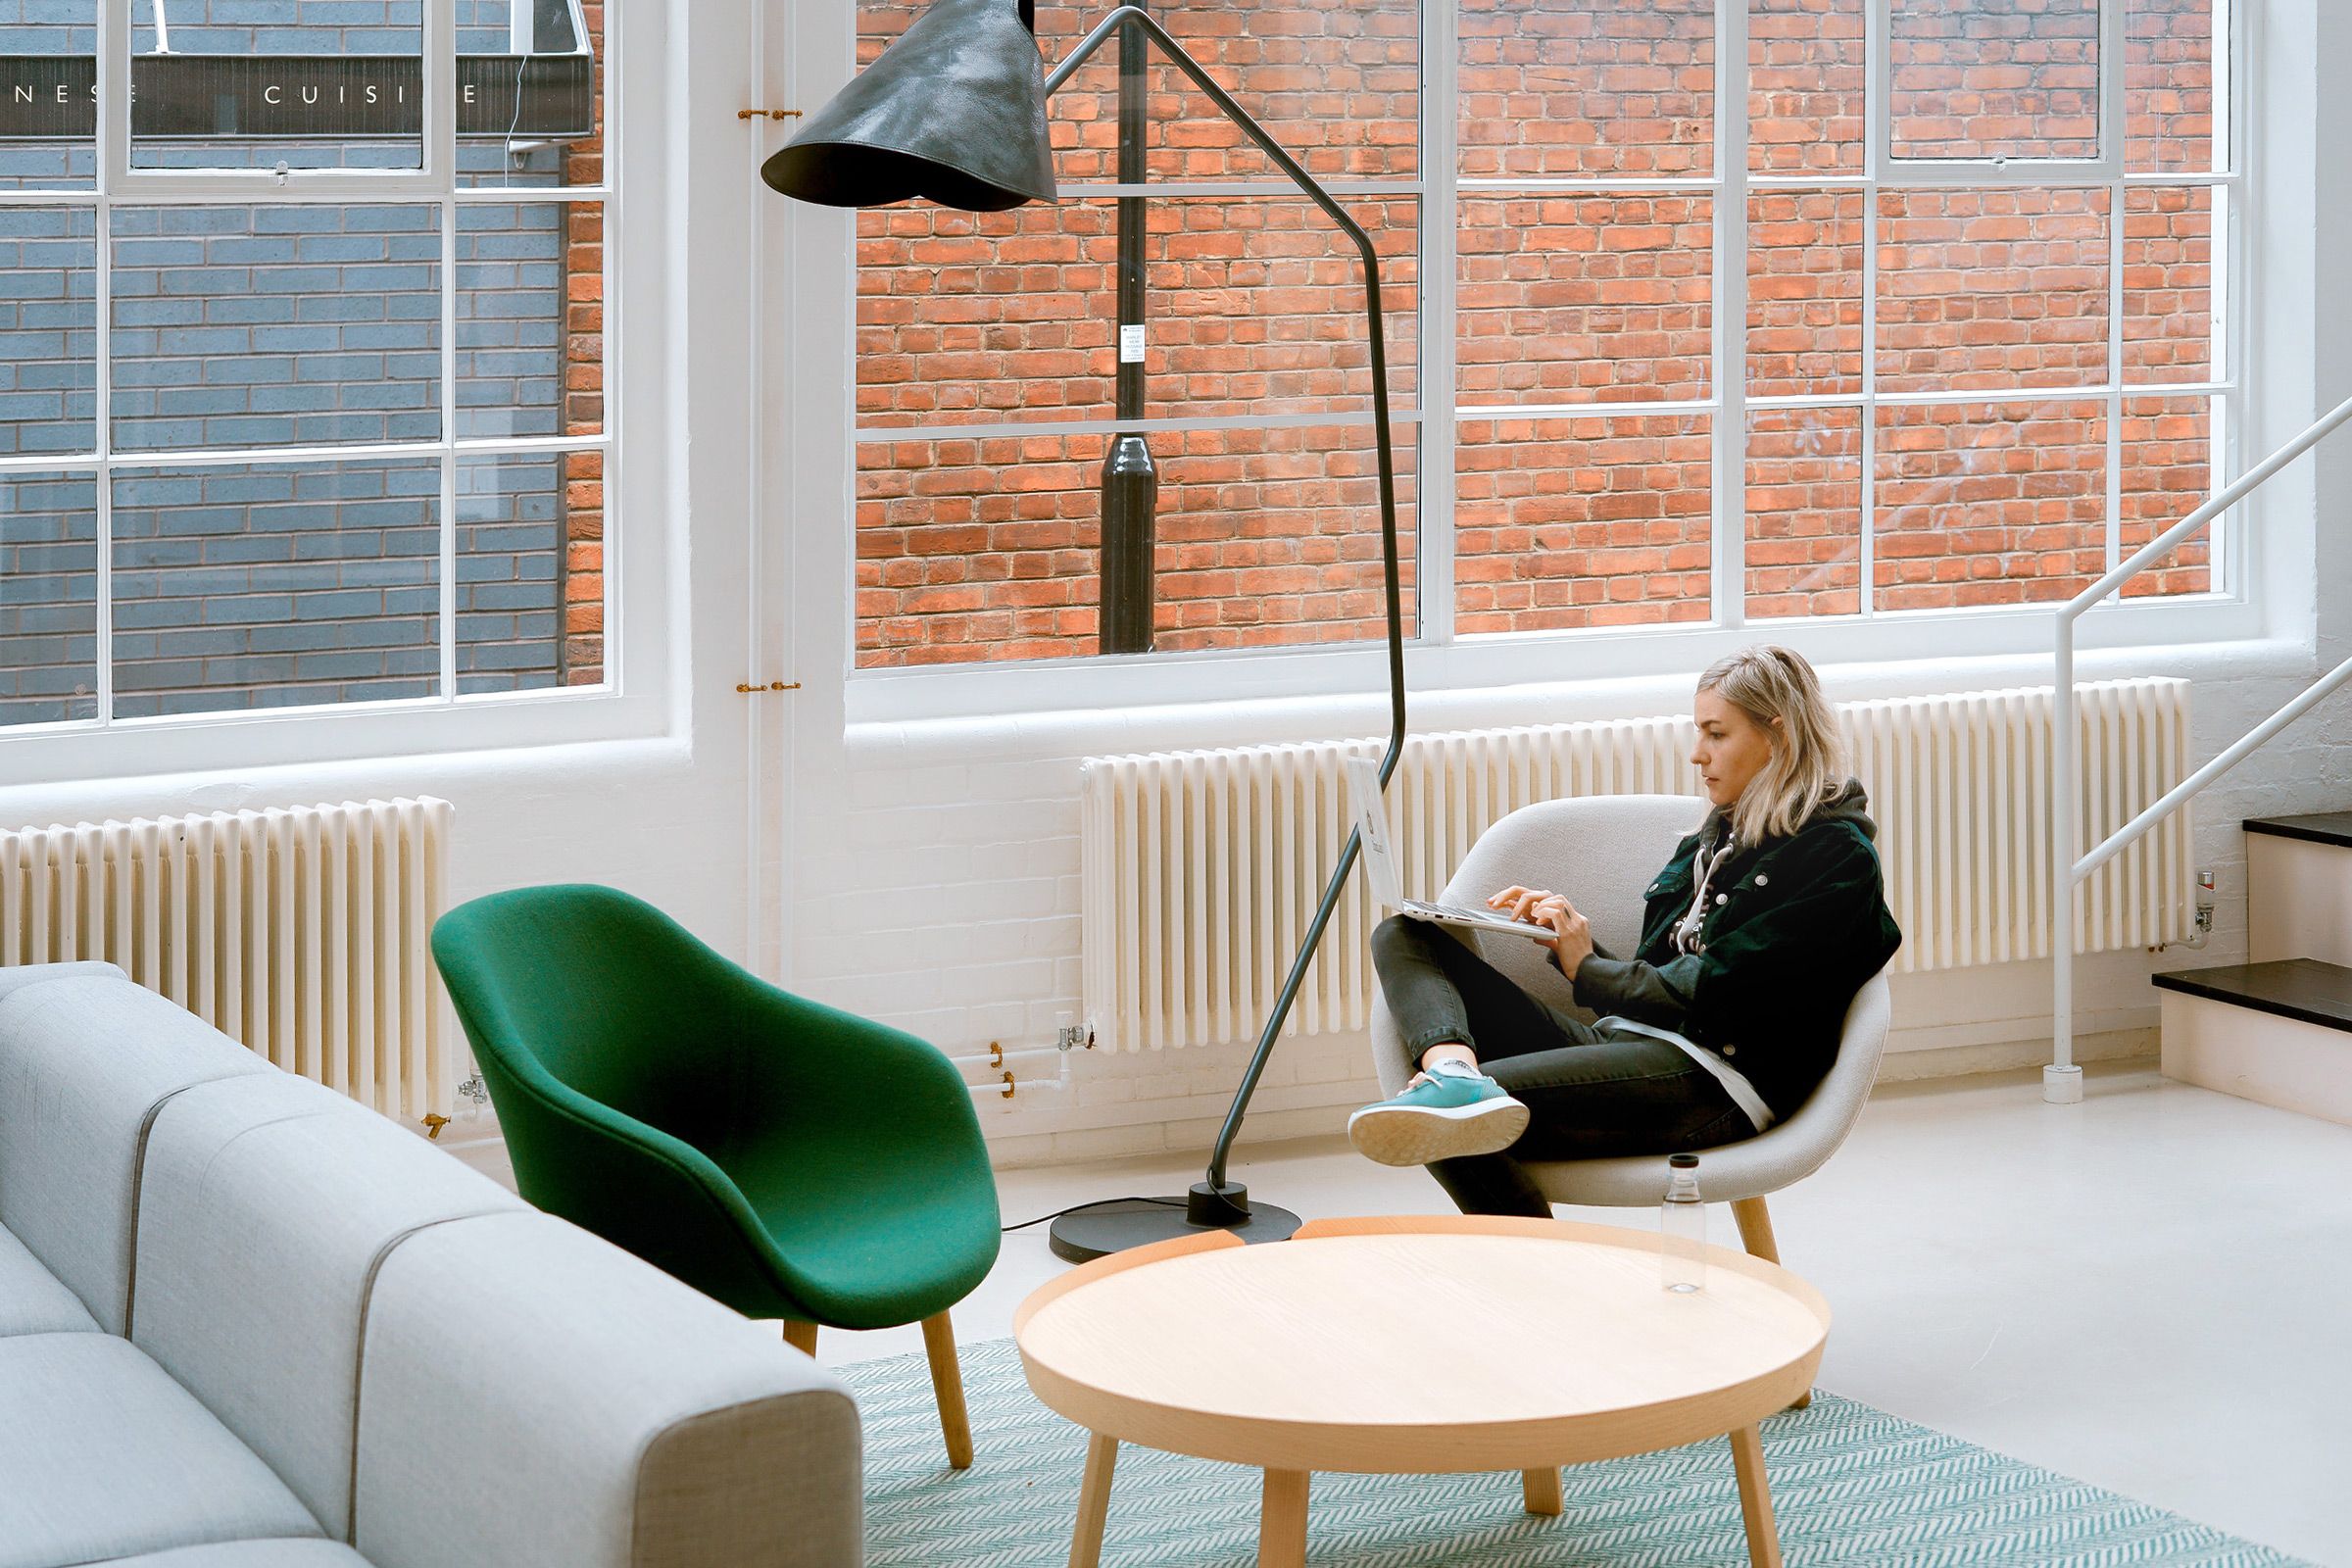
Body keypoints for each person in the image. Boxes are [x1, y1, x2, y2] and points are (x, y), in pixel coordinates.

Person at [1346, 645, 1903, 1217]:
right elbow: (1662, 981)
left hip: (1715, 1080)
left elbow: (1720, 991)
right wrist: (1574, 943)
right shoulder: (1717, 834)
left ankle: (1533, 1253)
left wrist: (1588, 969)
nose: (1697, 753)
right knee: (1406, 935)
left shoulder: (1837, 858)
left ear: (1778, 735)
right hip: (1629, 1044)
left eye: (1716, 734)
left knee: (1443, 1121)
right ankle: (1454, 1072)